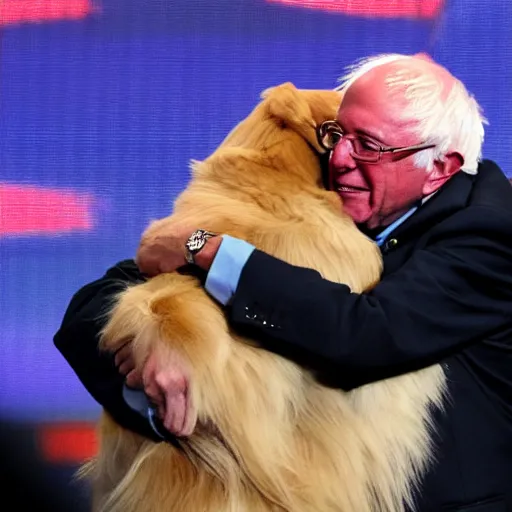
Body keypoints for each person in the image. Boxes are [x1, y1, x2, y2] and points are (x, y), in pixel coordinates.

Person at [54, 53, 512, 510]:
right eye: (337, 134)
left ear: (441, 167)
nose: (340, 158)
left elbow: (365, 334)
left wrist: (205, 247)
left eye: (369, 145)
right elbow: (99, 301)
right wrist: (150, 359)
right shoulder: (352, 189)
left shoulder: (490, 235)